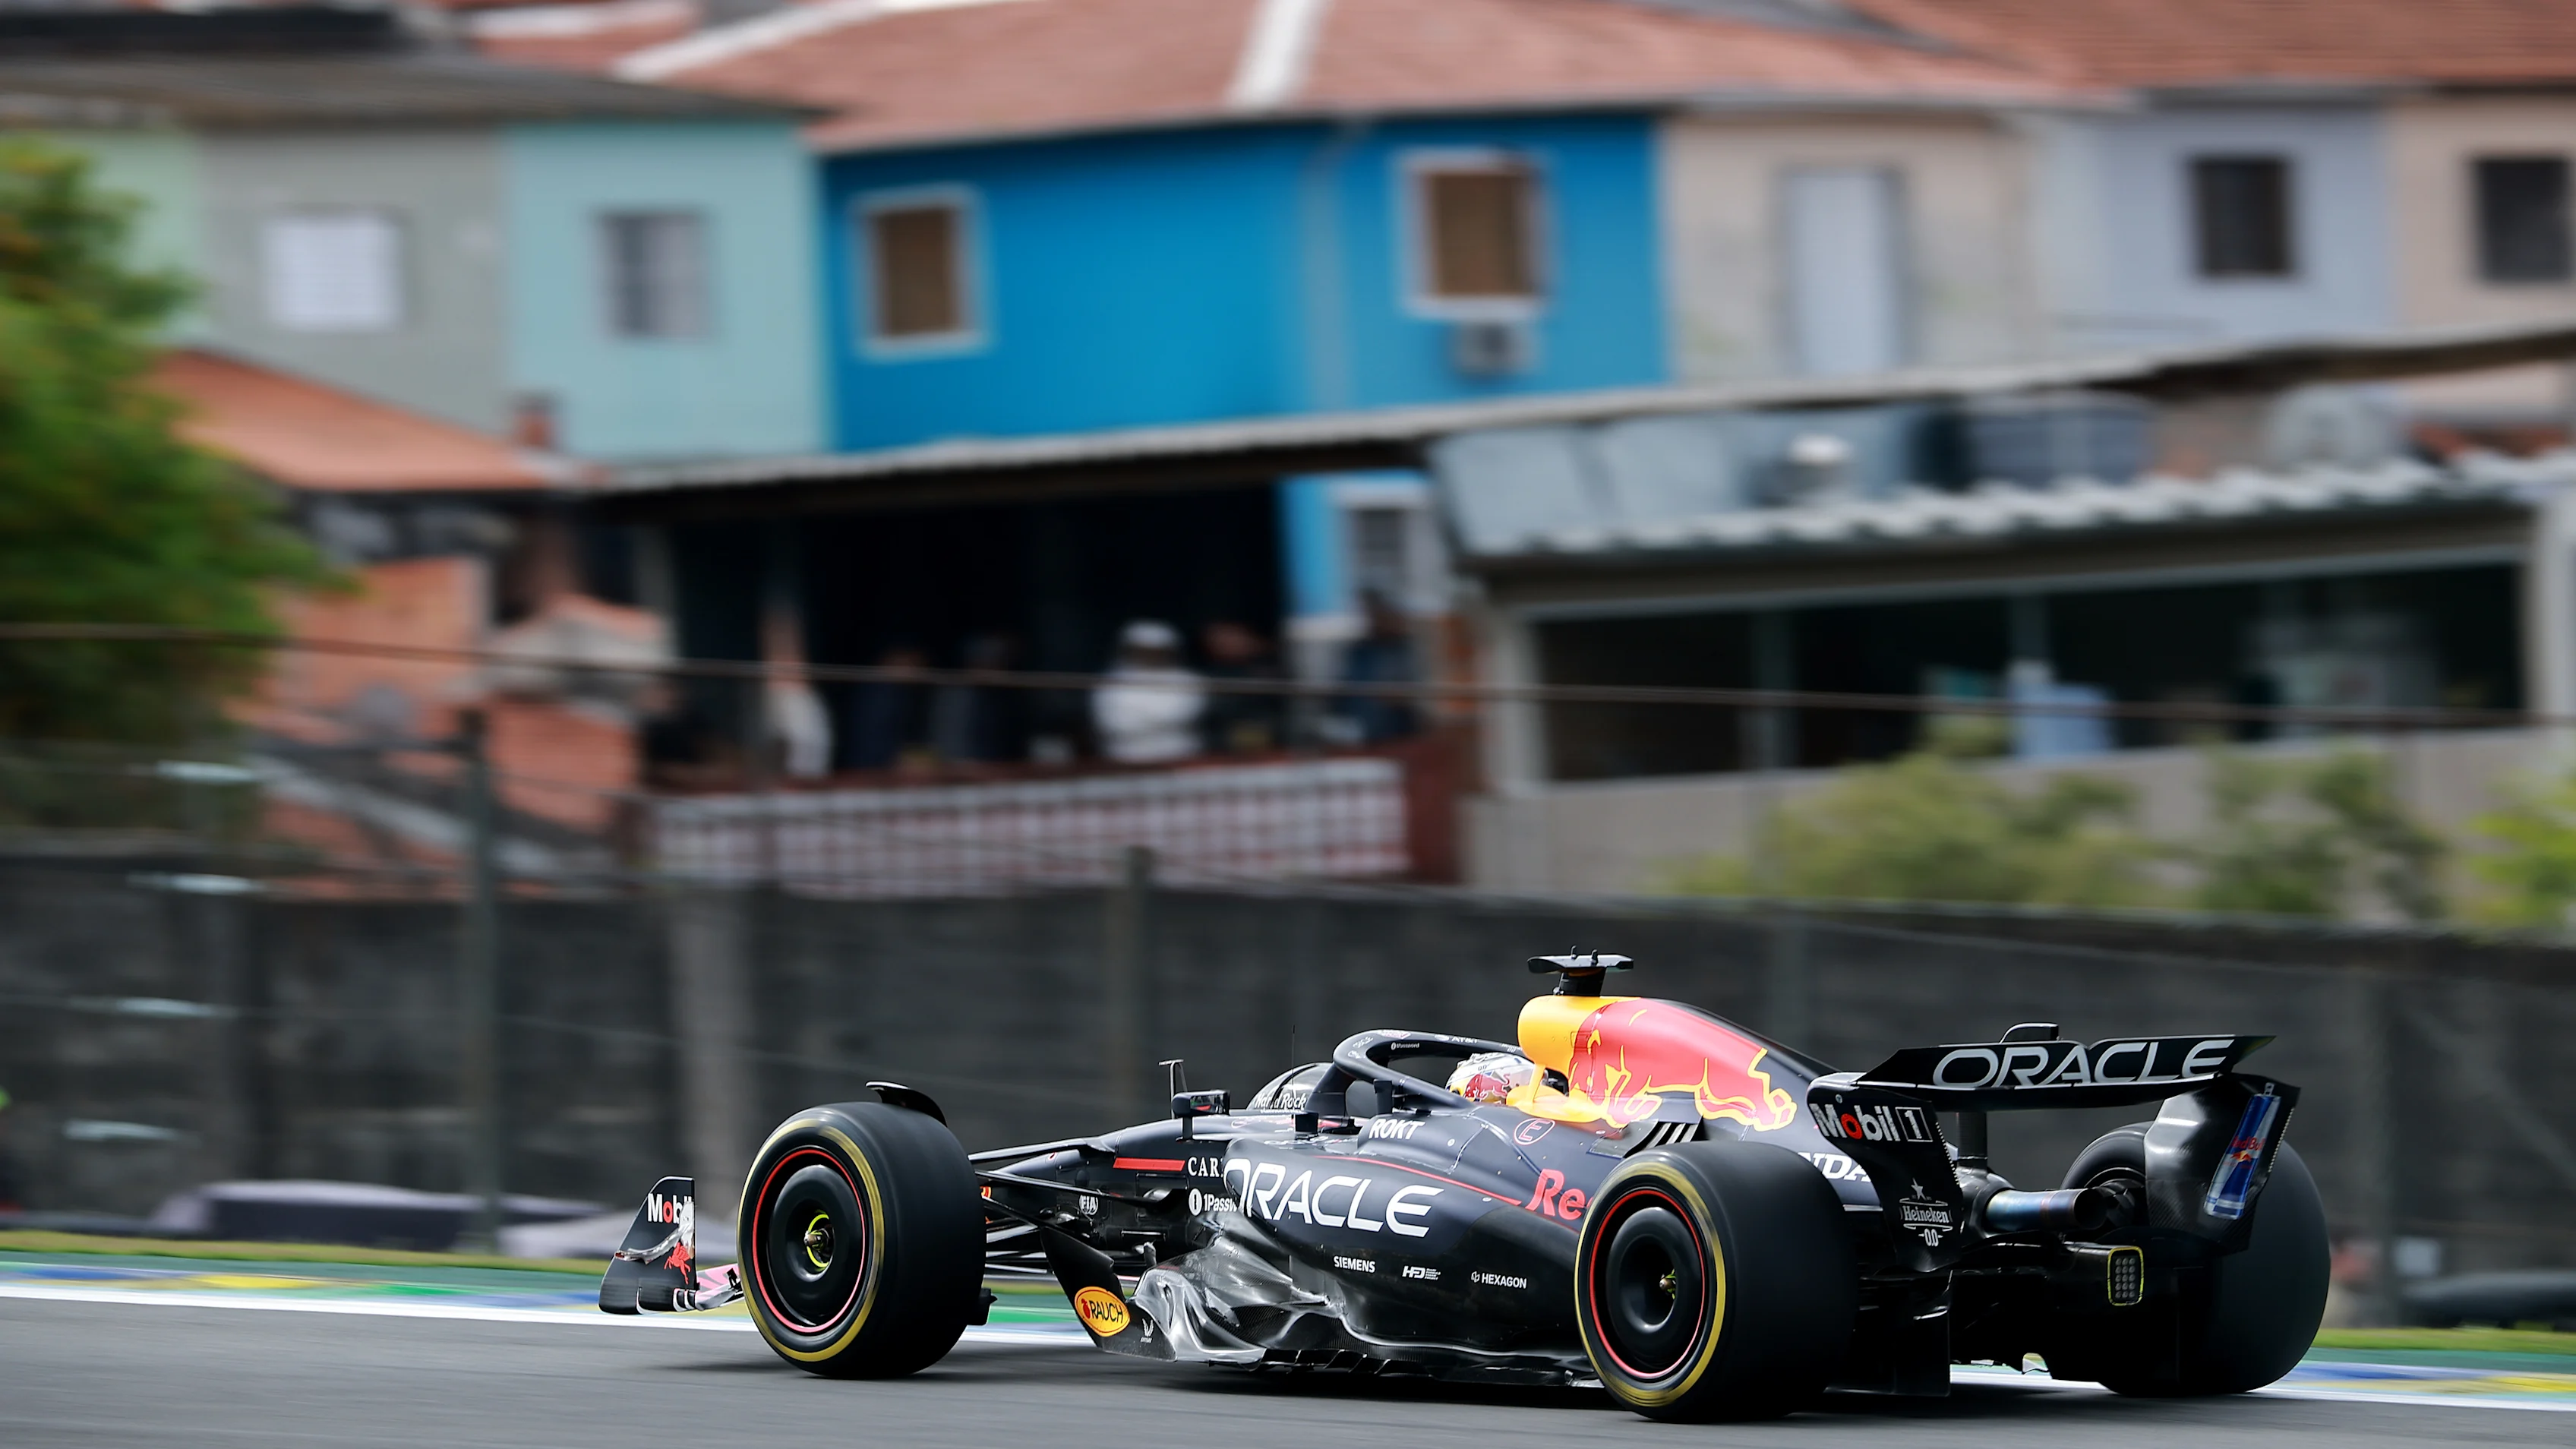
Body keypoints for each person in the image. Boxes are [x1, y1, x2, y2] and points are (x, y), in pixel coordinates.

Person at [1091, 620, 1205, 763]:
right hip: (1125, 757)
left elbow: (1184, 715)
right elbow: (1112, 723)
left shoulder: (1188, 680)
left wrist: (1138, 715)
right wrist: (1158, 719)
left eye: (1157, 651)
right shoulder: (1110, 681)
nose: (1150, 656)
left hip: (1181, 755)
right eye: (1144, 650)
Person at [1337, 589, 1421, 744]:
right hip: (1361, 731)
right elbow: (1345, 690)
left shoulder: (1404, 650)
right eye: (1370, 614)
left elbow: (1409, 693)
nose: (1375, 619)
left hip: (1397, 733)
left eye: (1381, 614)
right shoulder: (1360, 651)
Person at [1198, 619, 1287, 754]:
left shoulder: (1269, 668)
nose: (1226, 643)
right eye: (1218, 640)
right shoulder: (1209, 674)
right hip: (1222, 740)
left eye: (1231, 637)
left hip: (1267, 735)